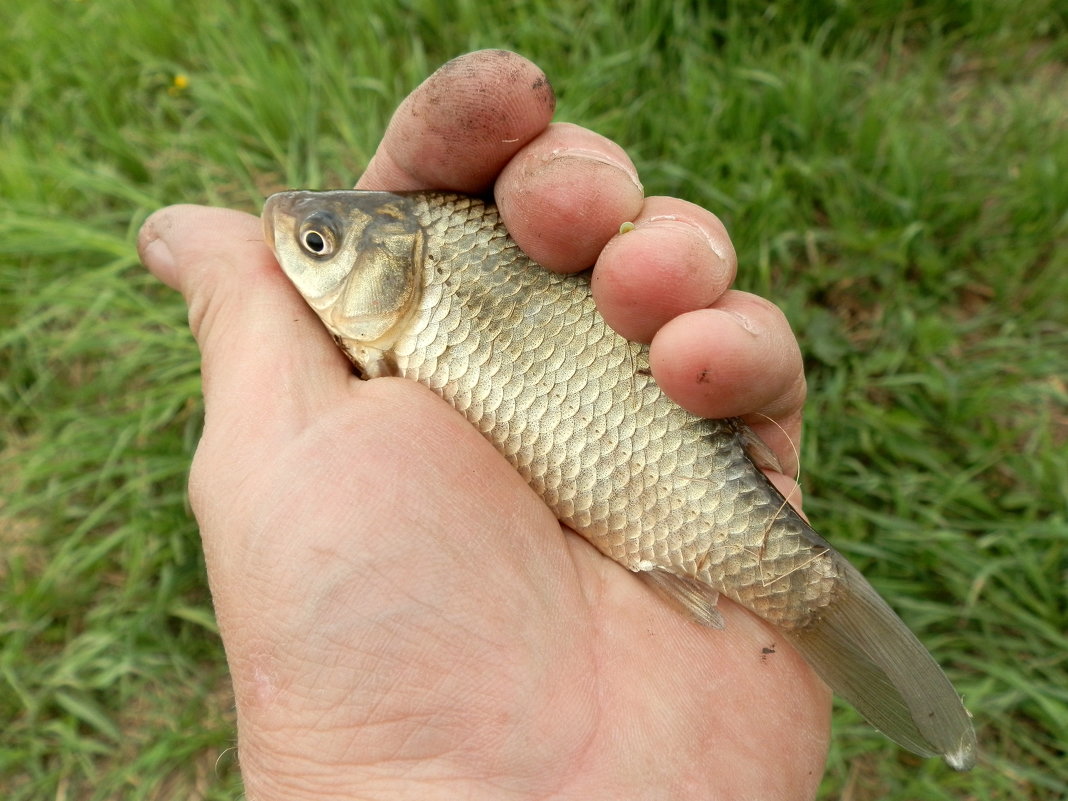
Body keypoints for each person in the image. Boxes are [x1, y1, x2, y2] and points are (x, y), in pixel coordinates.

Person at [138, 50, 828, 801]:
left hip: (657, 506)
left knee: (666, 301)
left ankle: (810, 590)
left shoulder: (422, 281)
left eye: (318, 245)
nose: (302, 248)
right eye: (320, 244)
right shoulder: (362, 386)